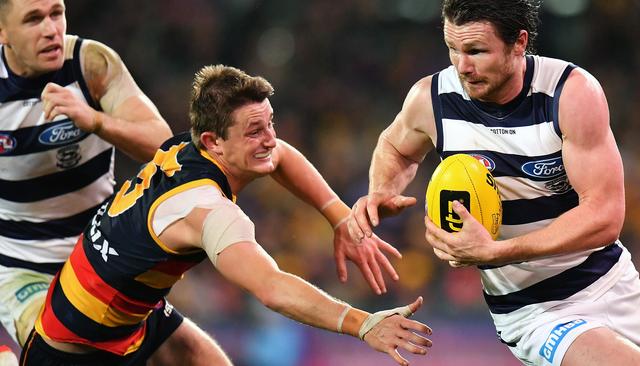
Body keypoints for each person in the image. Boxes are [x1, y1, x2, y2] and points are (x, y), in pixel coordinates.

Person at [0, 0, 401, 356]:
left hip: (120, 301)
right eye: (255, 132)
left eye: (57, 13)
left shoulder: (187, 147)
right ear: (214, 141)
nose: (270, 142)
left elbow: (279, 156)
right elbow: (272, 289)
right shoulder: (206, 208)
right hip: (76, 342)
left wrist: (339, 215)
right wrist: (363, 324)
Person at [348, 0, 640, 365]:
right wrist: (382, 188)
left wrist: (495, 253)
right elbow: (396, 146)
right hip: (534, 312)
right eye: (453, 49)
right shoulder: (432, 99)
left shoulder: (569, 93)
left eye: (476, 51)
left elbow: (604, 216)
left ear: (519, 43)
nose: (462, 66)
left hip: (612, 283)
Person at [0, 0, 172, 352]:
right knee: (64, 347)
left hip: (101, 249)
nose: (51, 29)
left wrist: (95, 120)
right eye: (33, 19)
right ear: (2, 32)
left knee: (193, 354)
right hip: (23, 263)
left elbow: (162, 144)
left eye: (56, 13)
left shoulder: (89, 63)